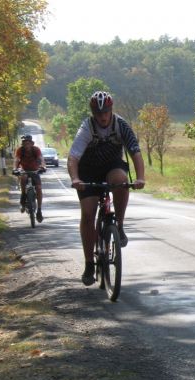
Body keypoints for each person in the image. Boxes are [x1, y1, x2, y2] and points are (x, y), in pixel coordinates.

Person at [67, 91, 146, 286]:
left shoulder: (121, 125)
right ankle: (89, 264)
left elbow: (135, 153)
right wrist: (75, 178)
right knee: (87, 214)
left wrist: (140, 177)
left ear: (111, 110)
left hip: (111, 166)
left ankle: (118, 225)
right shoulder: (87, 127)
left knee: (120, 179)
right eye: (98, 112)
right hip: (87, 171)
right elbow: (73, 157)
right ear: (93, 112)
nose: (102, 116)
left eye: (106, 111)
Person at [14, 134, 45, 222]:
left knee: (39, 188)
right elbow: (16, 159)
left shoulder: (36, 150)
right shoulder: (20, 150)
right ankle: (23, 196)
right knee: (23, 178)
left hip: (35, 170)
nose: (26, 145)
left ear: (32, 143)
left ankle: (39, 210)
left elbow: (41, 158)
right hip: (24, 170)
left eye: (28, 143)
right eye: (24, 143)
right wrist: (15, 169)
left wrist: (43, 167)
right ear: (22, 144)